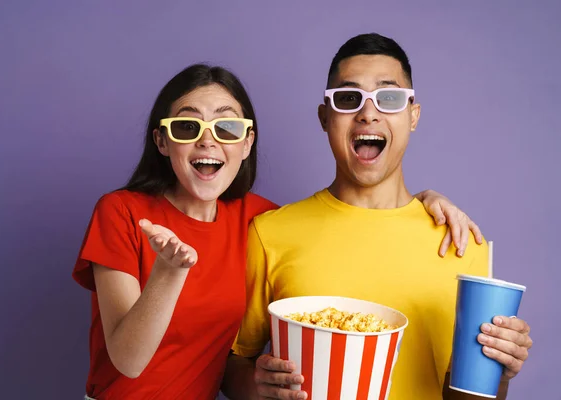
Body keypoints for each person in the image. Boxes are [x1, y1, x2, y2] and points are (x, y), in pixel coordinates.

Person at [72, 64, 484, 399]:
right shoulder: (122, 212)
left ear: (247, 143)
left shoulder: (258, 221)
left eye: (227, 128)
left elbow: (337, 222)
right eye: (186, 128)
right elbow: (127, 359)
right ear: (163, 142)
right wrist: (169, 272)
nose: (207, 141)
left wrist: (425, 201)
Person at [221, 33, 533, 400]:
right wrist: (256, 386)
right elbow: (231, 366)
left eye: (389, 98)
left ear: (412, 116)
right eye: (349, 98)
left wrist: (501, 372)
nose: (368, 113)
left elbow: (470, 395)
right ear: (325, 117)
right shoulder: (270, 233)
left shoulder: (461, 242)